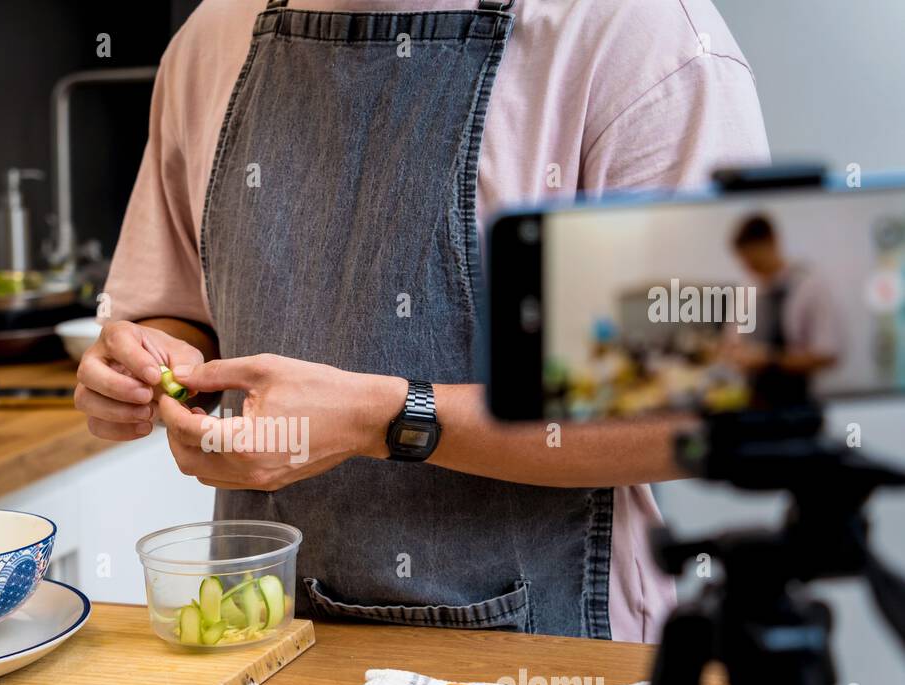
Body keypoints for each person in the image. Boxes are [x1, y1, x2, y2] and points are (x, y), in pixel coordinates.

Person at [77, 0, 771, 643]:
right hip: (265, 640)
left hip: (548, 659)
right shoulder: (212, 36)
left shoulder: (632, 36)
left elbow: (697, 411)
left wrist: (388, 419)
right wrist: (150, 359)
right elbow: (174, 308)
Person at [729, 213, 843, 376]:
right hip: (753, 394)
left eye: (755, 261)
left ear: (772, 242)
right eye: (746, 262)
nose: (750, 268)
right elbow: (734, 341)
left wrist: (770, 359)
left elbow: (827, 355)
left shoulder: (810, 286)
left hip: (798, 394)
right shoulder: (747, 287)